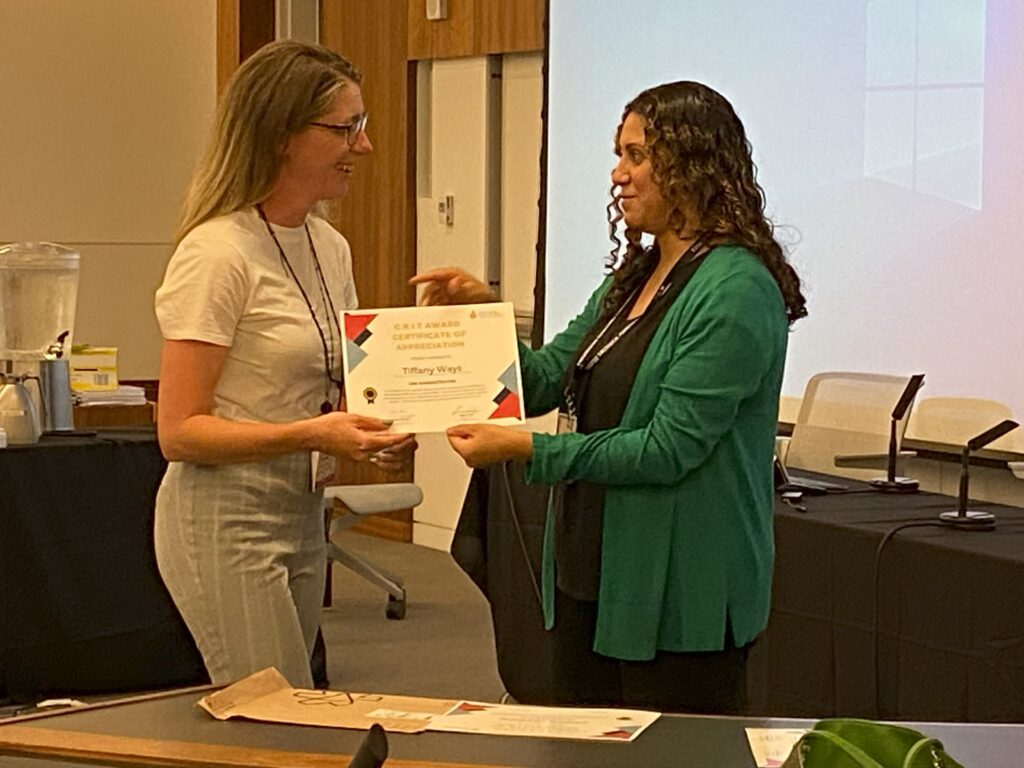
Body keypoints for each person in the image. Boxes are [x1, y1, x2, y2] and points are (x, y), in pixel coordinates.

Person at [412, 81, 806, 714]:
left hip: (680, 589)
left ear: (693, 163)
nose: (618, 175)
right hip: (592, 572)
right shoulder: (636, 277)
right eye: (618, 154)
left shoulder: (736, 288)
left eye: (636, 155)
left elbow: (667, 449)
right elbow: (542, 378)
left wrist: (525, 447)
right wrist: (483, 320)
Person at [153, 40, 415, 688]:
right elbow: (179, 432)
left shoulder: (329, 246)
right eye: (345, 128)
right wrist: (312, 434)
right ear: (281, 137)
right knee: (276, 721)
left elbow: (339, 385)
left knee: (289, 713)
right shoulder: (218, 253)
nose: (365, 146)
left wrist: (375, 432)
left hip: (303, 511)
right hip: (226, 516)